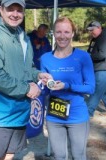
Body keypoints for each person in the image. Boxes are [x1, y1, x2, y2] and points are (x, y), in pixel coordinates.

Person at [0, 0, 52, 160]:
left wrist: (37, 74)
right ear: (1, 10)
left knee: (10, 154)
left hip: (18, 111)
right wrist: (26, 89)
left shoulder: (22, 37)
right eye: (11, 9)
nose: (15, 14)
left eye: (19, 10)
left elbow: (26, 68)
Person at [40, 17, 95, 160]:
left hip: (77, 116)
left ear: (72, 34)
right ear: (53, 34)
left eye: (66, 32)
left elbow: (90, 88)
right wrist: (43, 84)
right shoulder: (45, 58)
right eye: (58, 32)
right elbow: (44, 89)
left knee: (79, 155)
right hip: (54, 115)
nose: (62, 36)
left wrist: (67, 85)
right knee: (59, 156)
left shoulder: (83, 56)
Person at [86, 21, 106, 117]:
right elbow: (91, 50)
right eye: (90, 31)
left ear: (99, 28)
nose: (91, 32)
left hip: (104, 69)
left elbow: (102, 55)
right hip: (100, 68)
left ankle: (88, 112)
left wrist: (89, 56)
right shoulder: (95, 39)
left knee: (96, 90)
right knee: (103, 91)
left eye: (93, 30)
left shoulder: (105, 39)